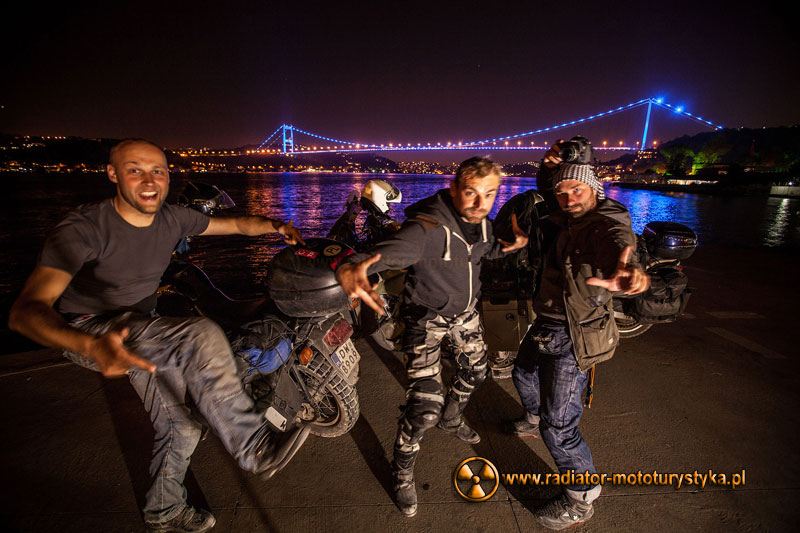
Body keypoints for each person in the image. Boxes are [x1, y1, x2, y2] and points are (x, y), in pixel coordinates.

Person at [8, 139, 304, 533]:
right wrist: (89, 345)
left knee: (182, 426)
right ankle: (253, 448)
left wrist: (277, 226)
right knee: (199, 335)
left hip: (141, 329)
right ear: (113, 174)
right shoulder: (83, 228)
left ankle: (163, 511)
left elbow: (235, 224)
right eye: (135, 170)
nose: (149, 181)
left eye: (158, 171)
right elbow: (25, 313)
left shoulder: (173, 219)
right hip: (91, 329)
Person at [336, 156, 528, 517]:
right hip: (426, 319)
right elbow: (389, 252)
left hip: (464, 315)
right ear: (454, 189)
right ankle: (402, 470)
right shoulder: (426, 228)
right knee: (424, 408)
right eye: (471, 193)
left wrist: (507, 246)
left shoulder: (482, 224)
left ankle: (451, 418)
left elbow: (484, 249)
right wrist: (353, 267)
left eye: (488, 195)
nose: (480, 203)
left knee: (476, 372)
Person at [509, 144, 650, 530]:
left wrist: (631, 269)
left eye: (578, 190)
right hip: (547, 321)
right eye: (562, 192)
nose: (569, 197)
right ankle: (534, 417)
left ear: (594, 189)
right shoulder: (565, 217)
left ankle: (581, 497)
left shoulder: (603, 218)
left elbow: (618, 238)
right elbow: (552, 189)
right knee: (522, 373)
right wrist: (552, 168)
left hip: (575, 332)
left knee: (559, 425)